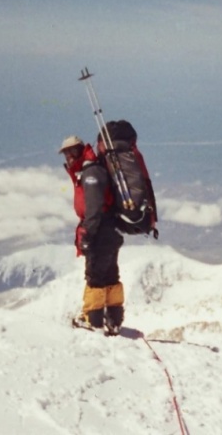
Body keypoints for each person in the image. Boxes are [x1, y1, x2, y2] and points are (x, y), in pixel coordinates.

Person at [59, 134, 125, 335]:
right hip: (109, 230)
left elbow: (94, 208)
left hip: (99, 231)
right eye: (66, 154)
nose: (68, 157)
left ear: (79, 150)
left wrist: (87, 234)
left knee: (95, 275)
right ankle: (113, 320)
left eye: (71, 152)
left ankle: (93, 319)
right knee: (110, 275)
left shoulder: (90, 173)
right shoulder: (92, 170)